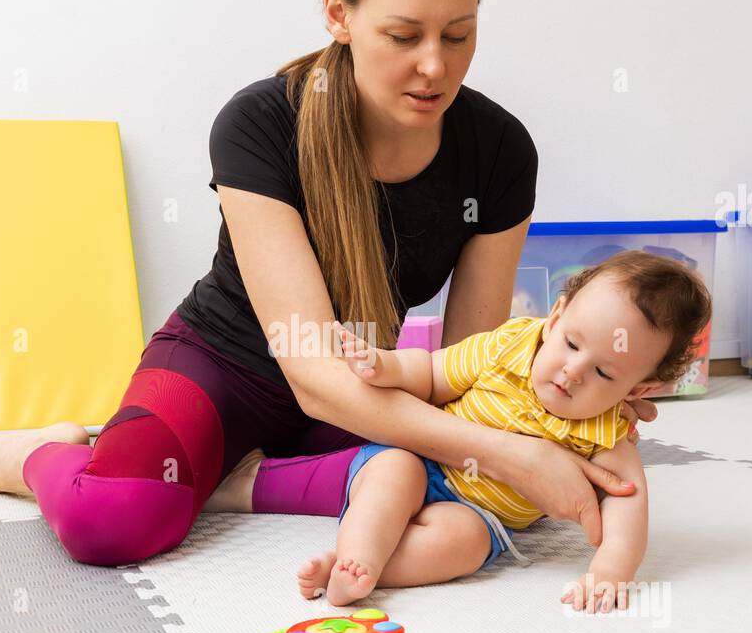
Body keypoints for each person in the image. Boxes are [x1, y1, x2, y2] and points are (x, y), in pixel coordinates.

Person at [0, 0, 655, 565]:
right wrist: (515, 453)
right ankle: (38, 454)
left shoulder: (500, 150)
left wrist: (576, 395)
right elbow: (313, 369)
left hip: (364, 388)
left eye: (459, 34)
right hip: (224, 367)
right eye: (403, 36)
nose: (435, 65)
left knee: (444, 508)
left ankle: (232, 482)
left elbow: (474, 357)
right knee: (111, 521)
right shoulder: (258, 125)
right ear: (337, 11)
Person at [292, 252, 711, 614]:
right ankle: (359, 551)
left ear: (637, 390)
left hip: (478, 513)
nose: (574, 370)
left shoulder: (605, 431)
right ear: (555, 319)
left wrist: (610, 571)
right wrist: (385, 366)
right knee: (395, 473)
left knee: (466, 545)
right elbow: (432, 373)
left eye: (603, 372)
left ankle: (354, 571)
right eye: (571, 343)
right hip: (423, 459)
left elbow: (627, 504)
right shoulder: (505, 346)